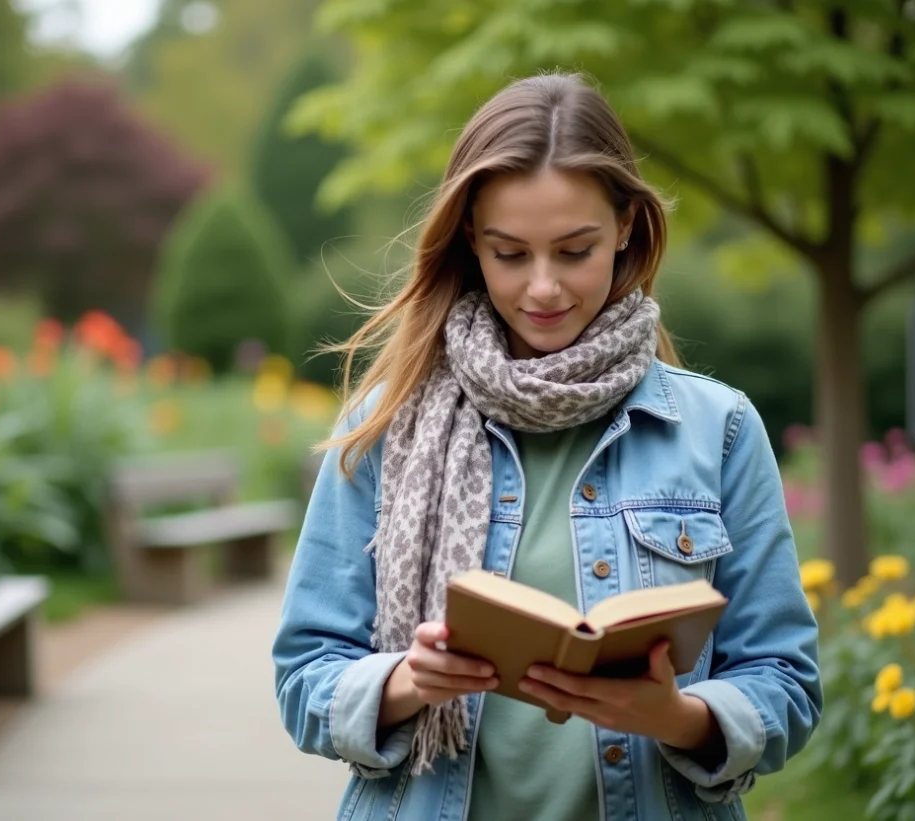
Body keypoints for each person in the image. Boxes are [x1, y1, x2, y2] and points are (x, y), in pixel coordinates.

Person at [272, 71, 821, 821]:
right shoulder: (387, 422)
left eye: (573, 250)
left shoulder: (717, 428)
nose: (542, 288)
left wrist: (676, 716)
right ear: (470, 237)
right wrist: (410, 681)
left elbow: (786, 681)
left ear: (627, 225)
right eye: (509, 253)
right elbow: (306, 676)